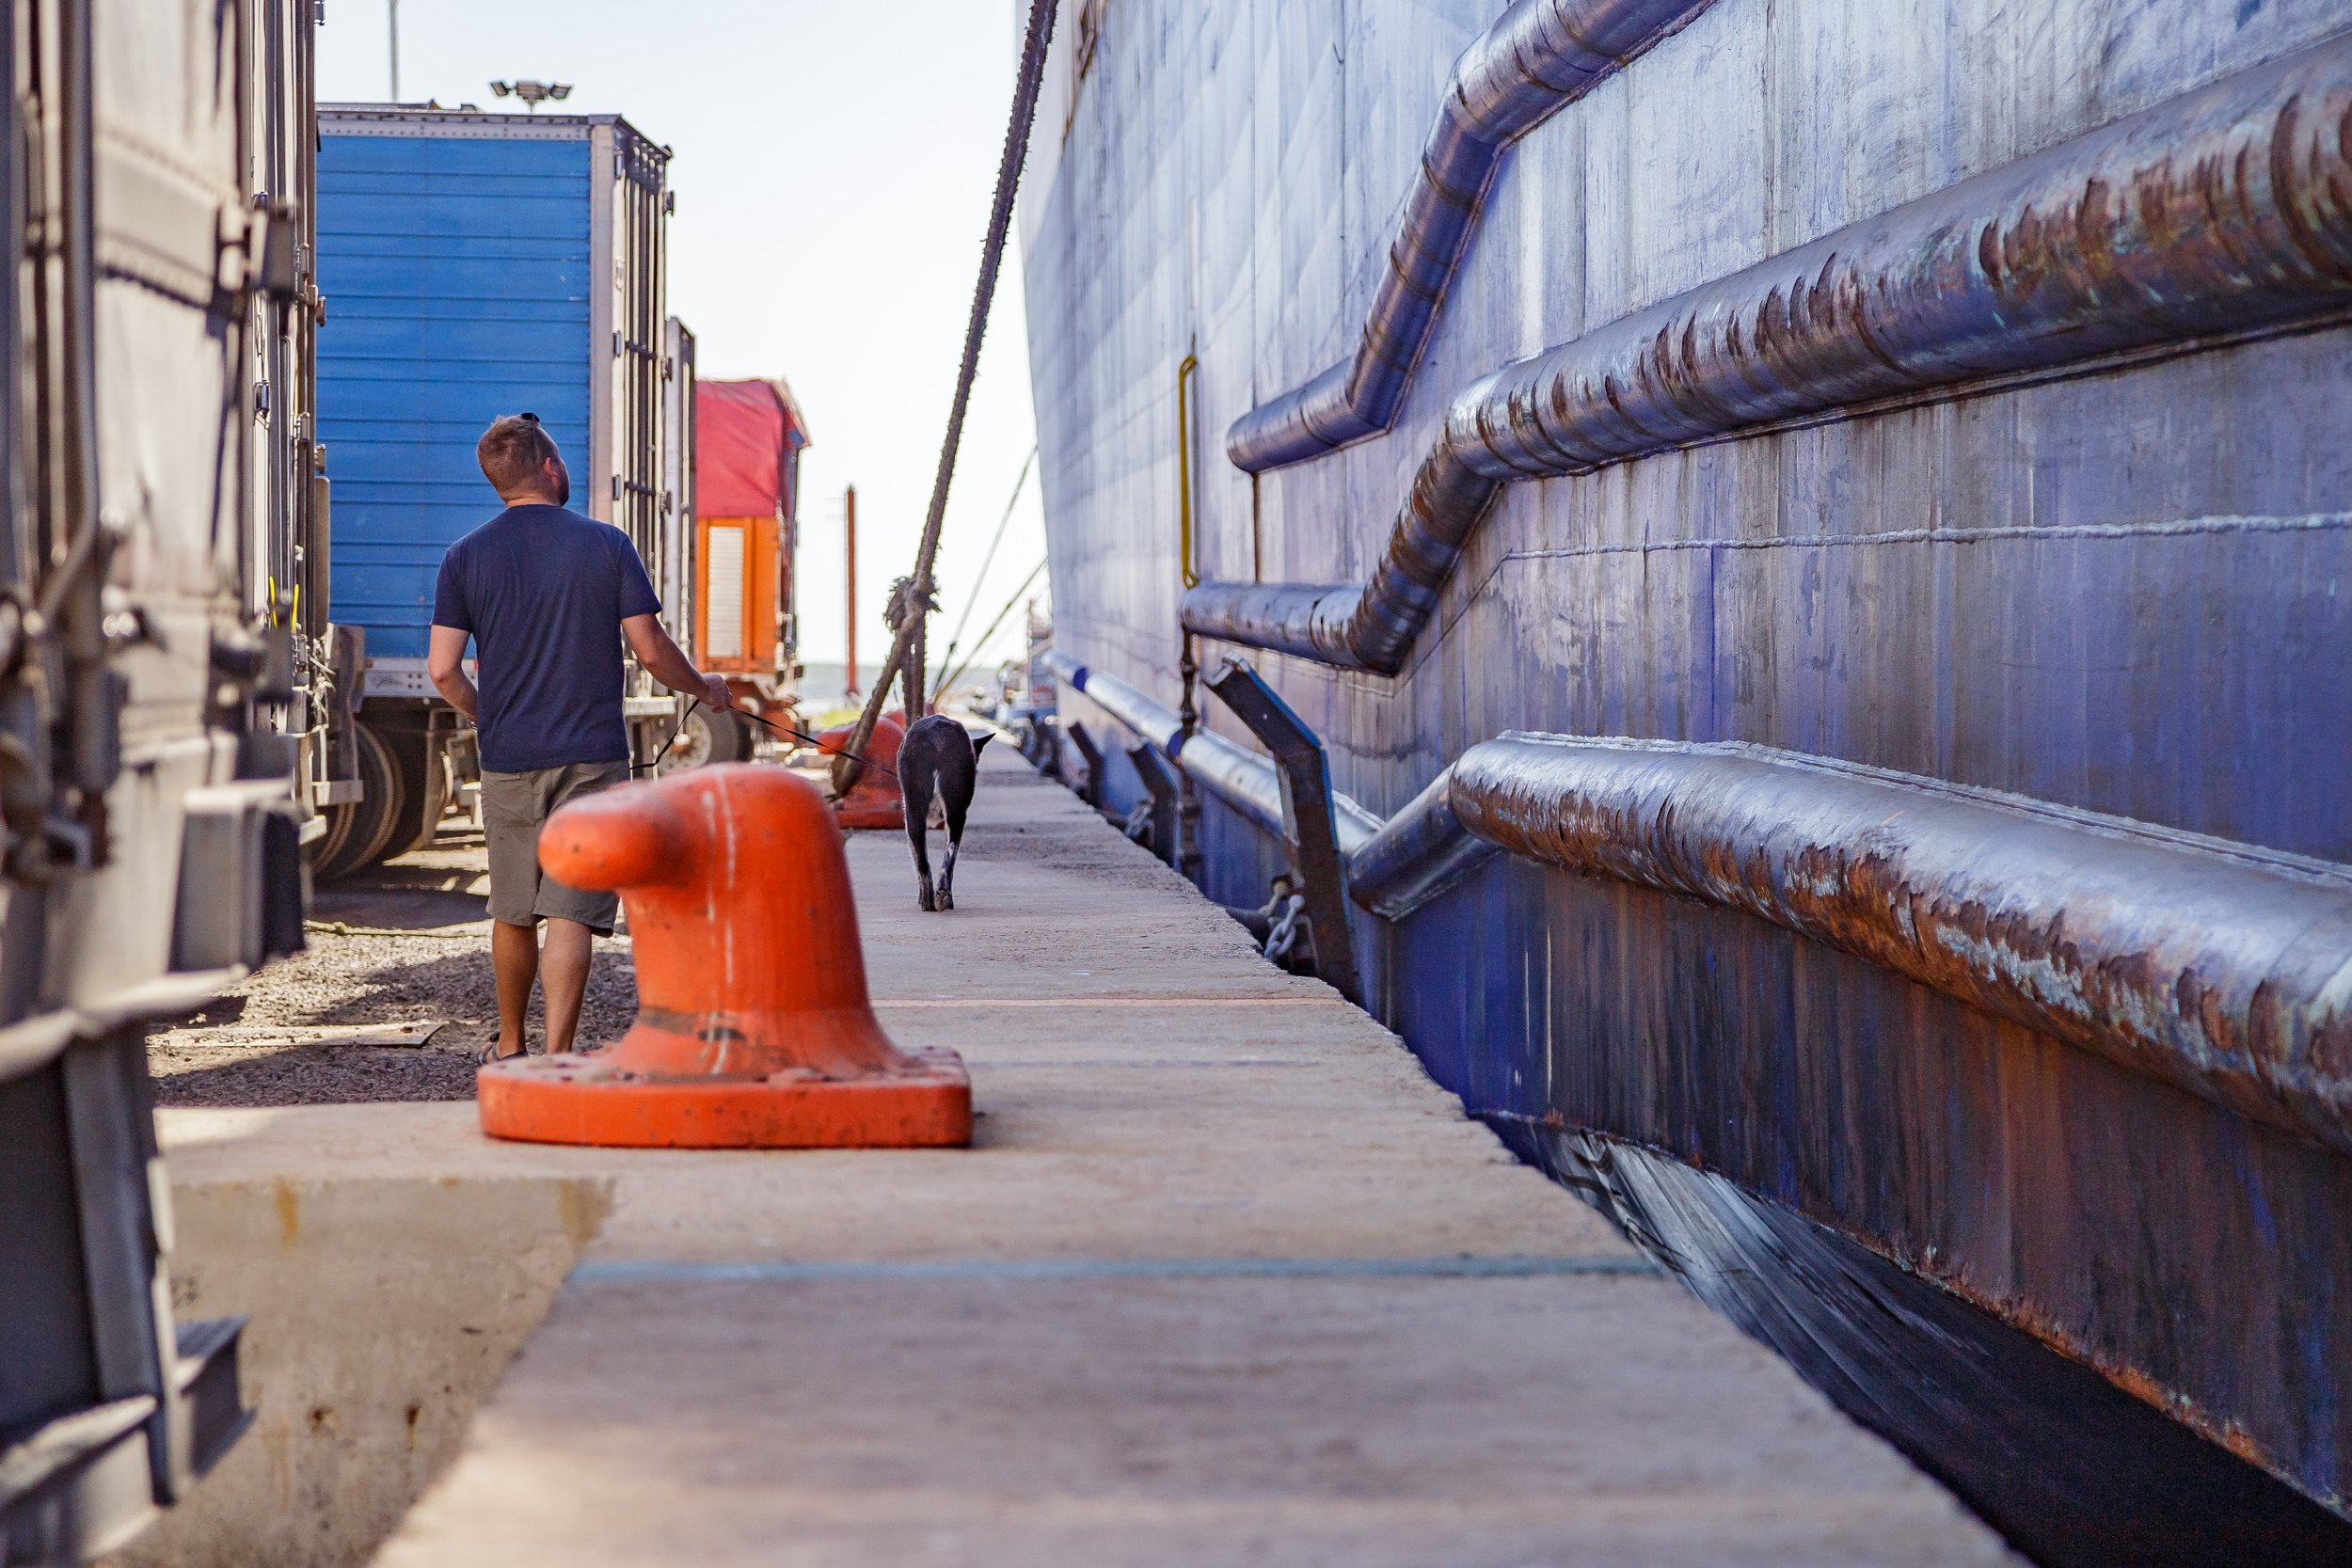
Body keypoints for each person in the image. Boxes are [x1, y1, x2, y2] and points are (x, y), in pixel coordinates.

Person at [427, 413, 731, 1064]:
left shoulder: (463, 557)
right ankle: (558, 1056)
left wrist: (487, 716)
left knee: (512, 909)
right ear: (549, 467)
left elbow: (443, 670)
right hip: (591, 759)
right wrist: (705, 688)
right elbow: (651, 650)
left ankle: (511, 1046)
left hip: (508, 757)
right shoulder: (607, 545)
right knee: (570, 912)